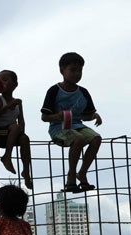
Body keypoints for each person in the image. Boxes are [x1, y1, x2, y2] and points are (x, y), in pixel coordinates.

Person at [41, 52, 102, 193]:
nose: (76, 74)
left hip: (77, 125)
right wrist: (57, 116)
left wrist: (94, 116)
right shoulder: (54, 90)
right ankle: (71, 177)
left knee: (96, 138)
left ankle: (82, 172)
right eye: (72, 70)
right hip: (58, 128)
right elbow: (44, 117)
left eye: (79, 71)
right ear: (62, 70)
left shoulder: (83, 92)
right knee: (79, 139)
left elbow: (85, 116)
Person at [0, 70, 33, 190]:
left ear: (14, 84)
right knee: (15, 127)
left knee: (25, 139)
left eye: (5, 79)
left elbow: (21, 120)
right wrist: (8, 107)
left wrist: (21, 132)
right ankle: (7, 156)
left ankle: (26, 172)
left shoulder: (18, 102)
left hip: (12, 133)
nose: (2, 82)